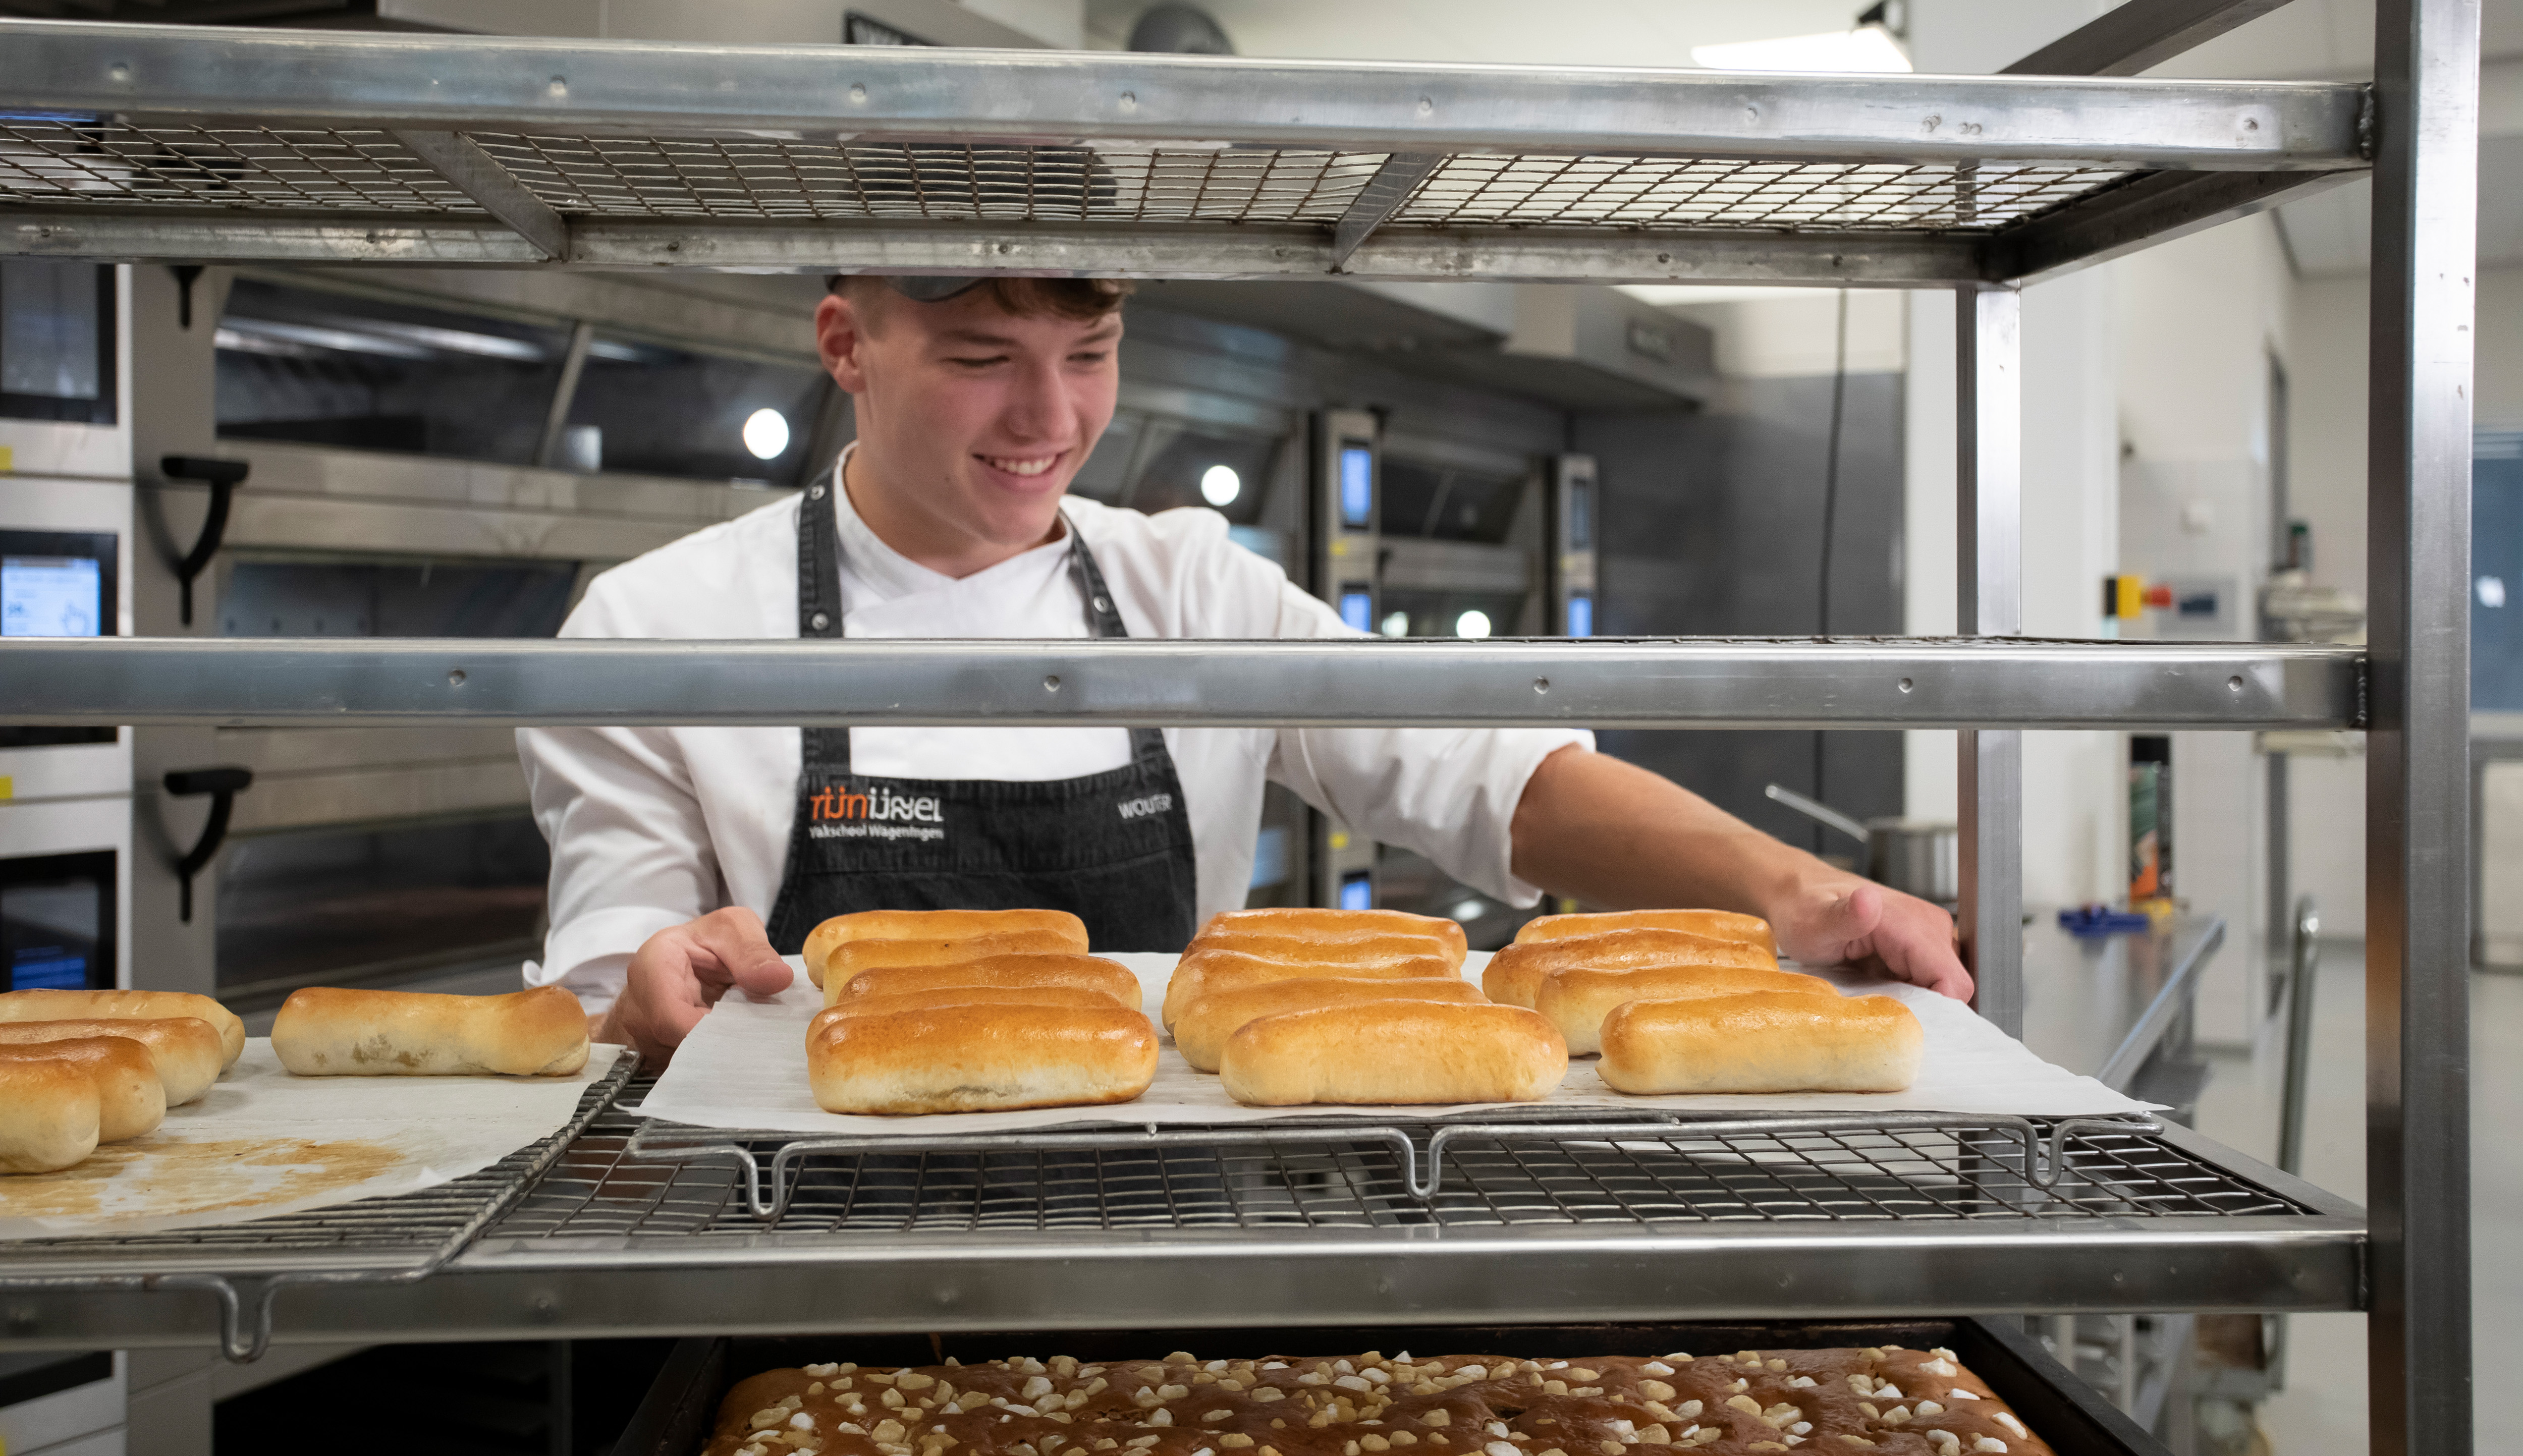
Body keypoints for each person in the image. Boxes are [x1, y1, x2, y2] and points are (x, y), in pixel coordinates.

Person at [519, 275, 1969, 1061]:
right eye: (981, 356)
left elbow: (1492, 773)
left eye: (1091, 353)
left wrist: (1799, 891)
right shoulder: (657, 625)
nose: (1051, 414)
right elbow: (612, 976)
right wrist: (639, 994)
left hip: (1160, 1225)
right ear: (847, 343)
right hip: (795, 1242)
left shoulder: (1185, 587)